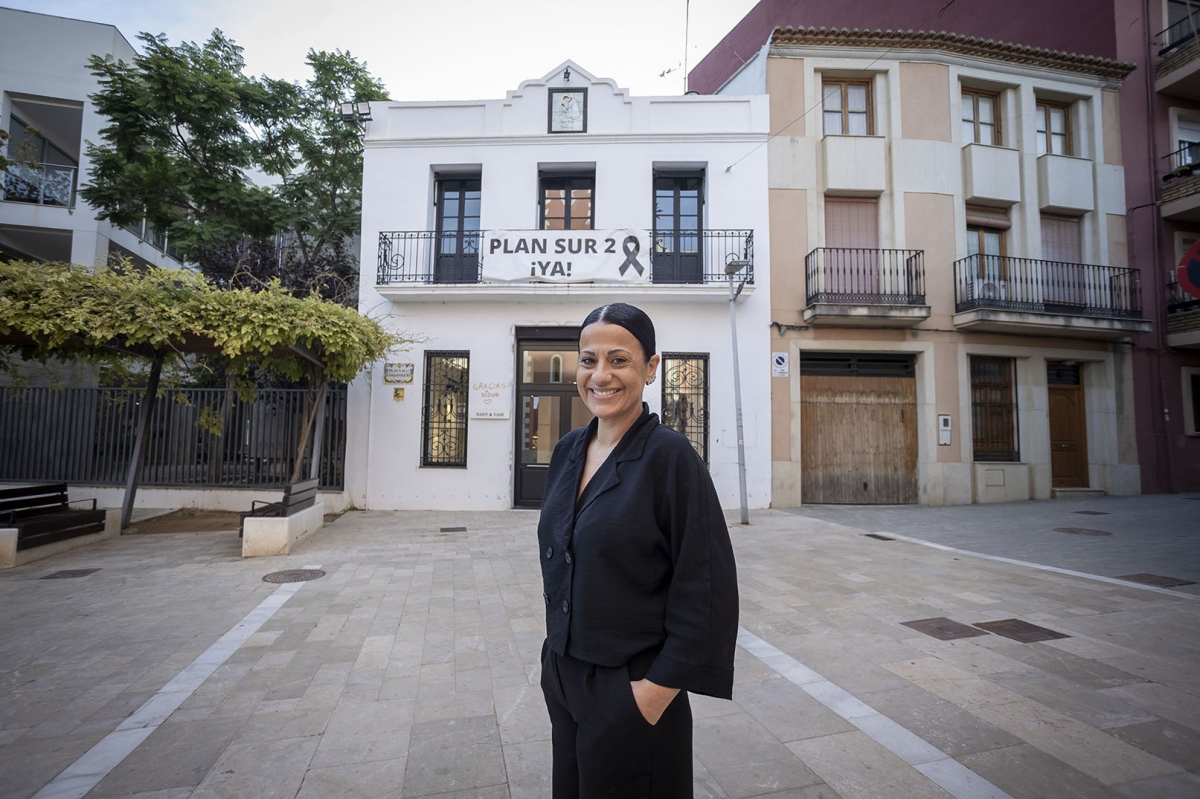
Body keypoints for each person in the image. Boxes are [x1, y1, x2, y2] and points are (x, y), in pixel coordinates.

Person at [537, 302, 739, 797]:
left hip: (632, 687)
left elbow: (707, 585)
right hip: (565, 674)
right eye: (589, 360)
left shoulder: (670, 457)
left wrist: (652, 695)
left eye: (619, 360)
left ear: (650, 368)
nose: (600, 375)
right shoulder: (567, 451)